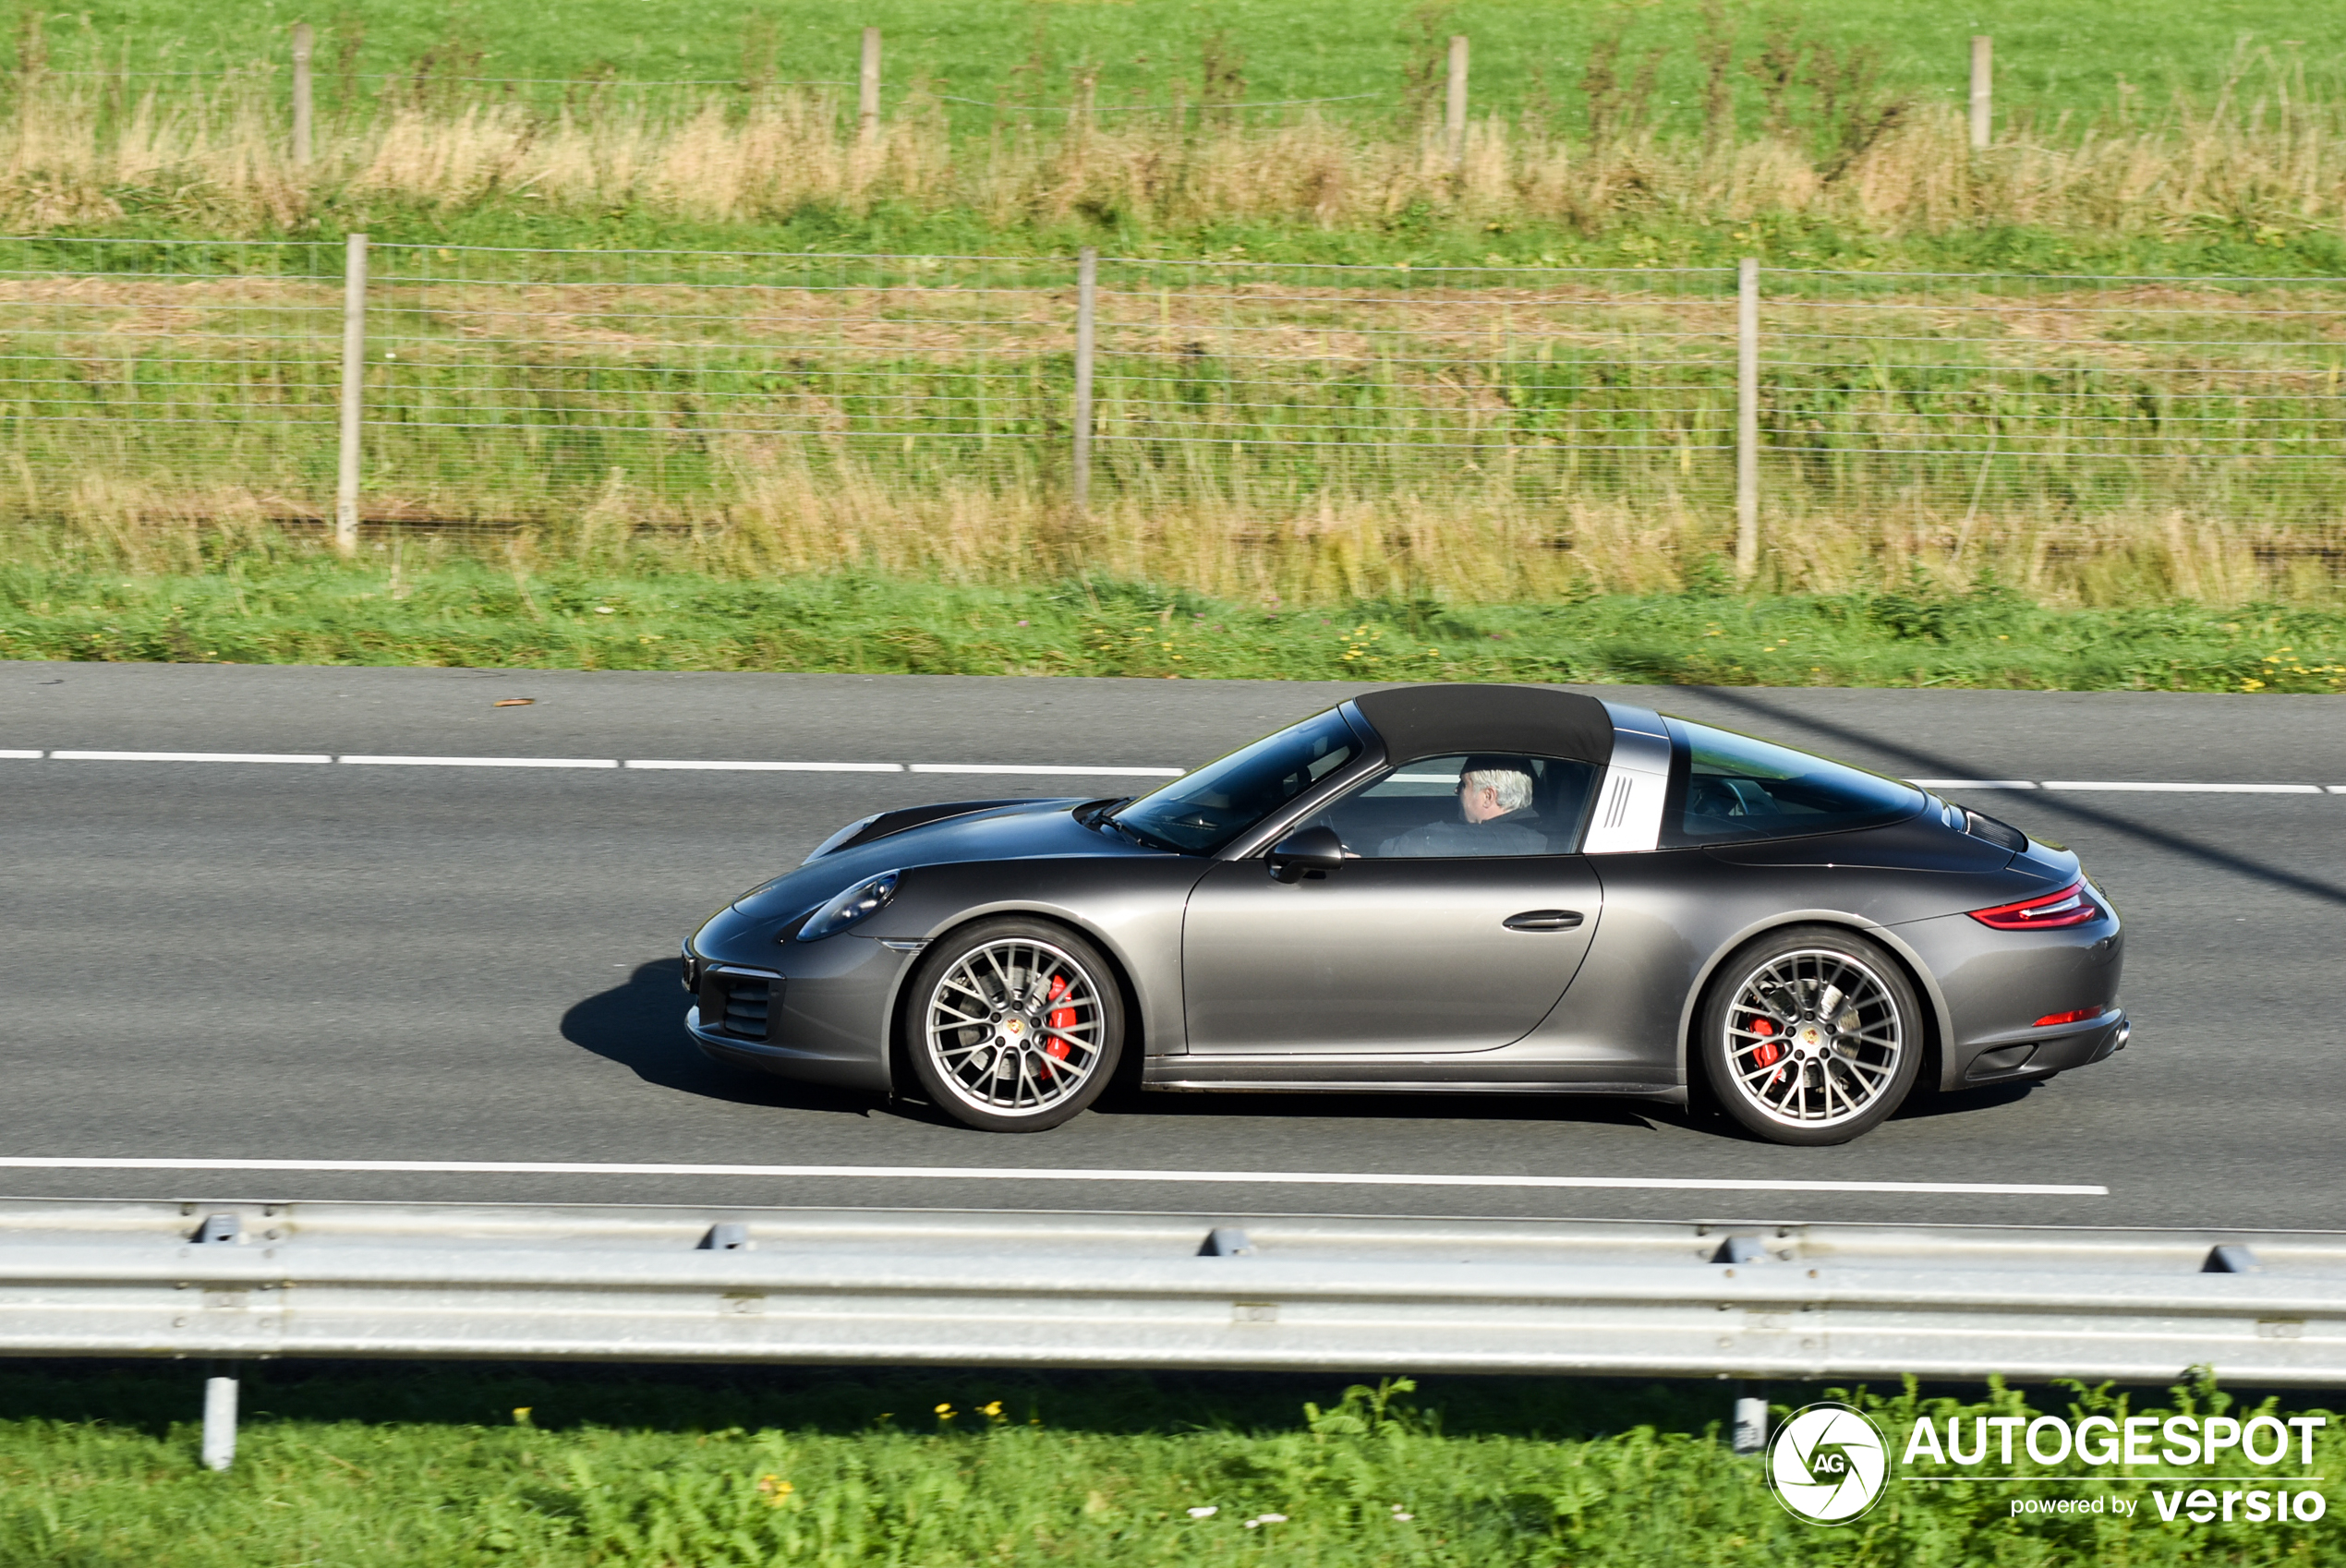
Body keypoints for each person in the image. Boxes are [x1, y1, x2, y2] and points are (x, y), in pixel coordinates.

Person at [1375, 756, 1548, 857]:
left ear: (1488, 796)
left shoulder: (1510, 840)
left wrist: (1370, 855)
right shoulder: (1528, 829)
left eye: (1464, 784)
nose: (1456, 789)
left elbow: (1425, 841)